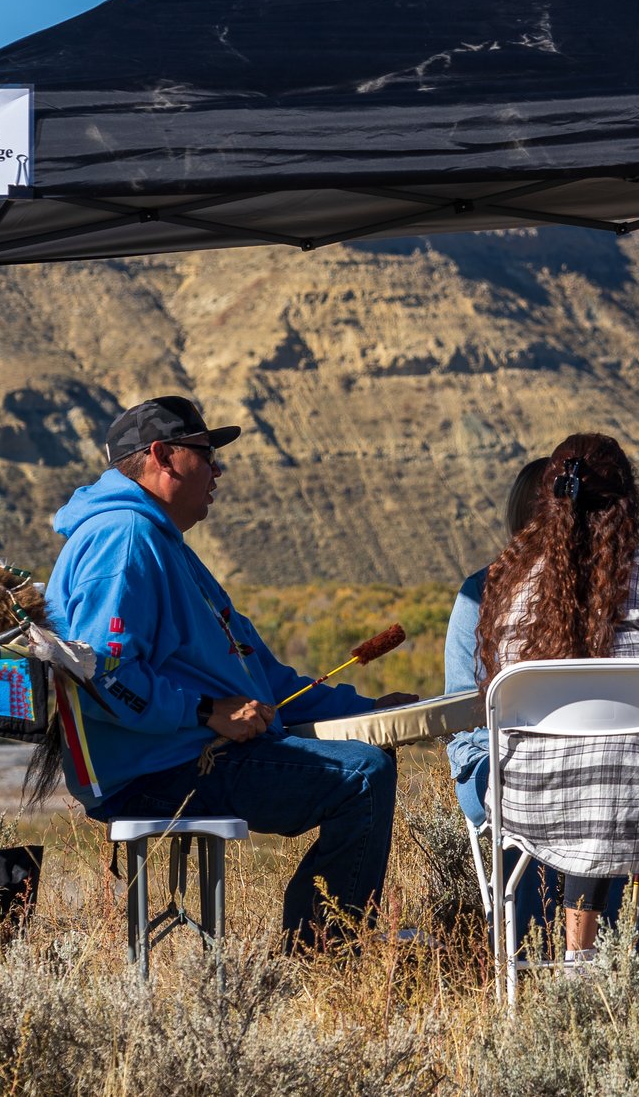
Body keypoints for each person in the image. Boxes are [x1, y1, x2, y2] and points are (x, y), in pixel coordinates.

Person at [47, 396, 414, 945]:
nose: (217, 468)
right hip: (153, 771)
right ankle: (323, 959)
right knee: (361, 777)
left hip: (182, 754)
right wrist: (205, 711)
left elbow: (264, 681)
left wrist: (370, 713)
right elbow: (102, 673)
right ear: (162, 456)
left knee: (370, 756)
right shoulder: (124, 538)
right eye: (205, 453)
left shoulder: (160, 542)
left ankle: (325, 945)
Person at [478, 433, 639, 962]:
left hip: (530, 806)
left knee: (593, 765)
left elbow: (492, 699)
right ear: (628, 500)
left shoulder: (511, 581)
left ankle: (578, 961)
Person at [444, 458, 555, 935]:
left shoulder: (606, 593)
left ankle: (595, 946)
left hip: (576, 759)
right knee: (519, 777)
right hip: (492, 757)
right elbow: (463, 706)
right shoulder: (481, 592)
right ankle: (525, 947)